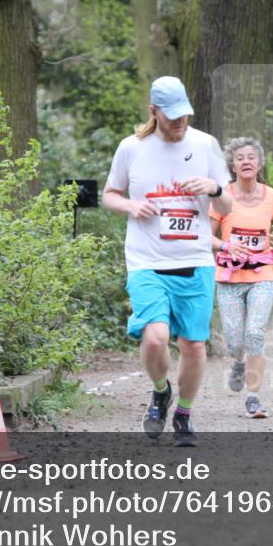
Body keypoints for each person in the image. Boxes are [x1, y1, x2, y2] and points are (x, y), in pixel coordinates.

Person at [102, 76, 232, 446]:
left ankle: (185, 415)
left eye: (184, 115)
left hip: (195, 259)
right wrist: (130, 204)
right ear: (153, 111)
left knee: (193, 345)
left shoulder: (205, 144)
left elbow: (226, 205)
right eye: (171, 116)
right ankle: (161, 392)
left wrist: (214, 188)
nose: (180, 122)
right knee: (156, 339)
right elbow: (111, 194)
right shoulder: (131, 148)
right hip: (146, 260)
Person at [210, 137, 273, 419]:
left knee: (255, 333)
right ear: (232, 165)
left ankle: (254, 398)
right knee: (234, 340)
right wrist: (226, 245)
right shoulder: (222, 198)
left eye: (251, 157)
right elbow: (205, 235)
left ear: (259, 163)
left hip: (262, 275)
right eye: (240, 157)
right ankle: (238, 362)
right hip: (229, 277)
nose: (246, 161)